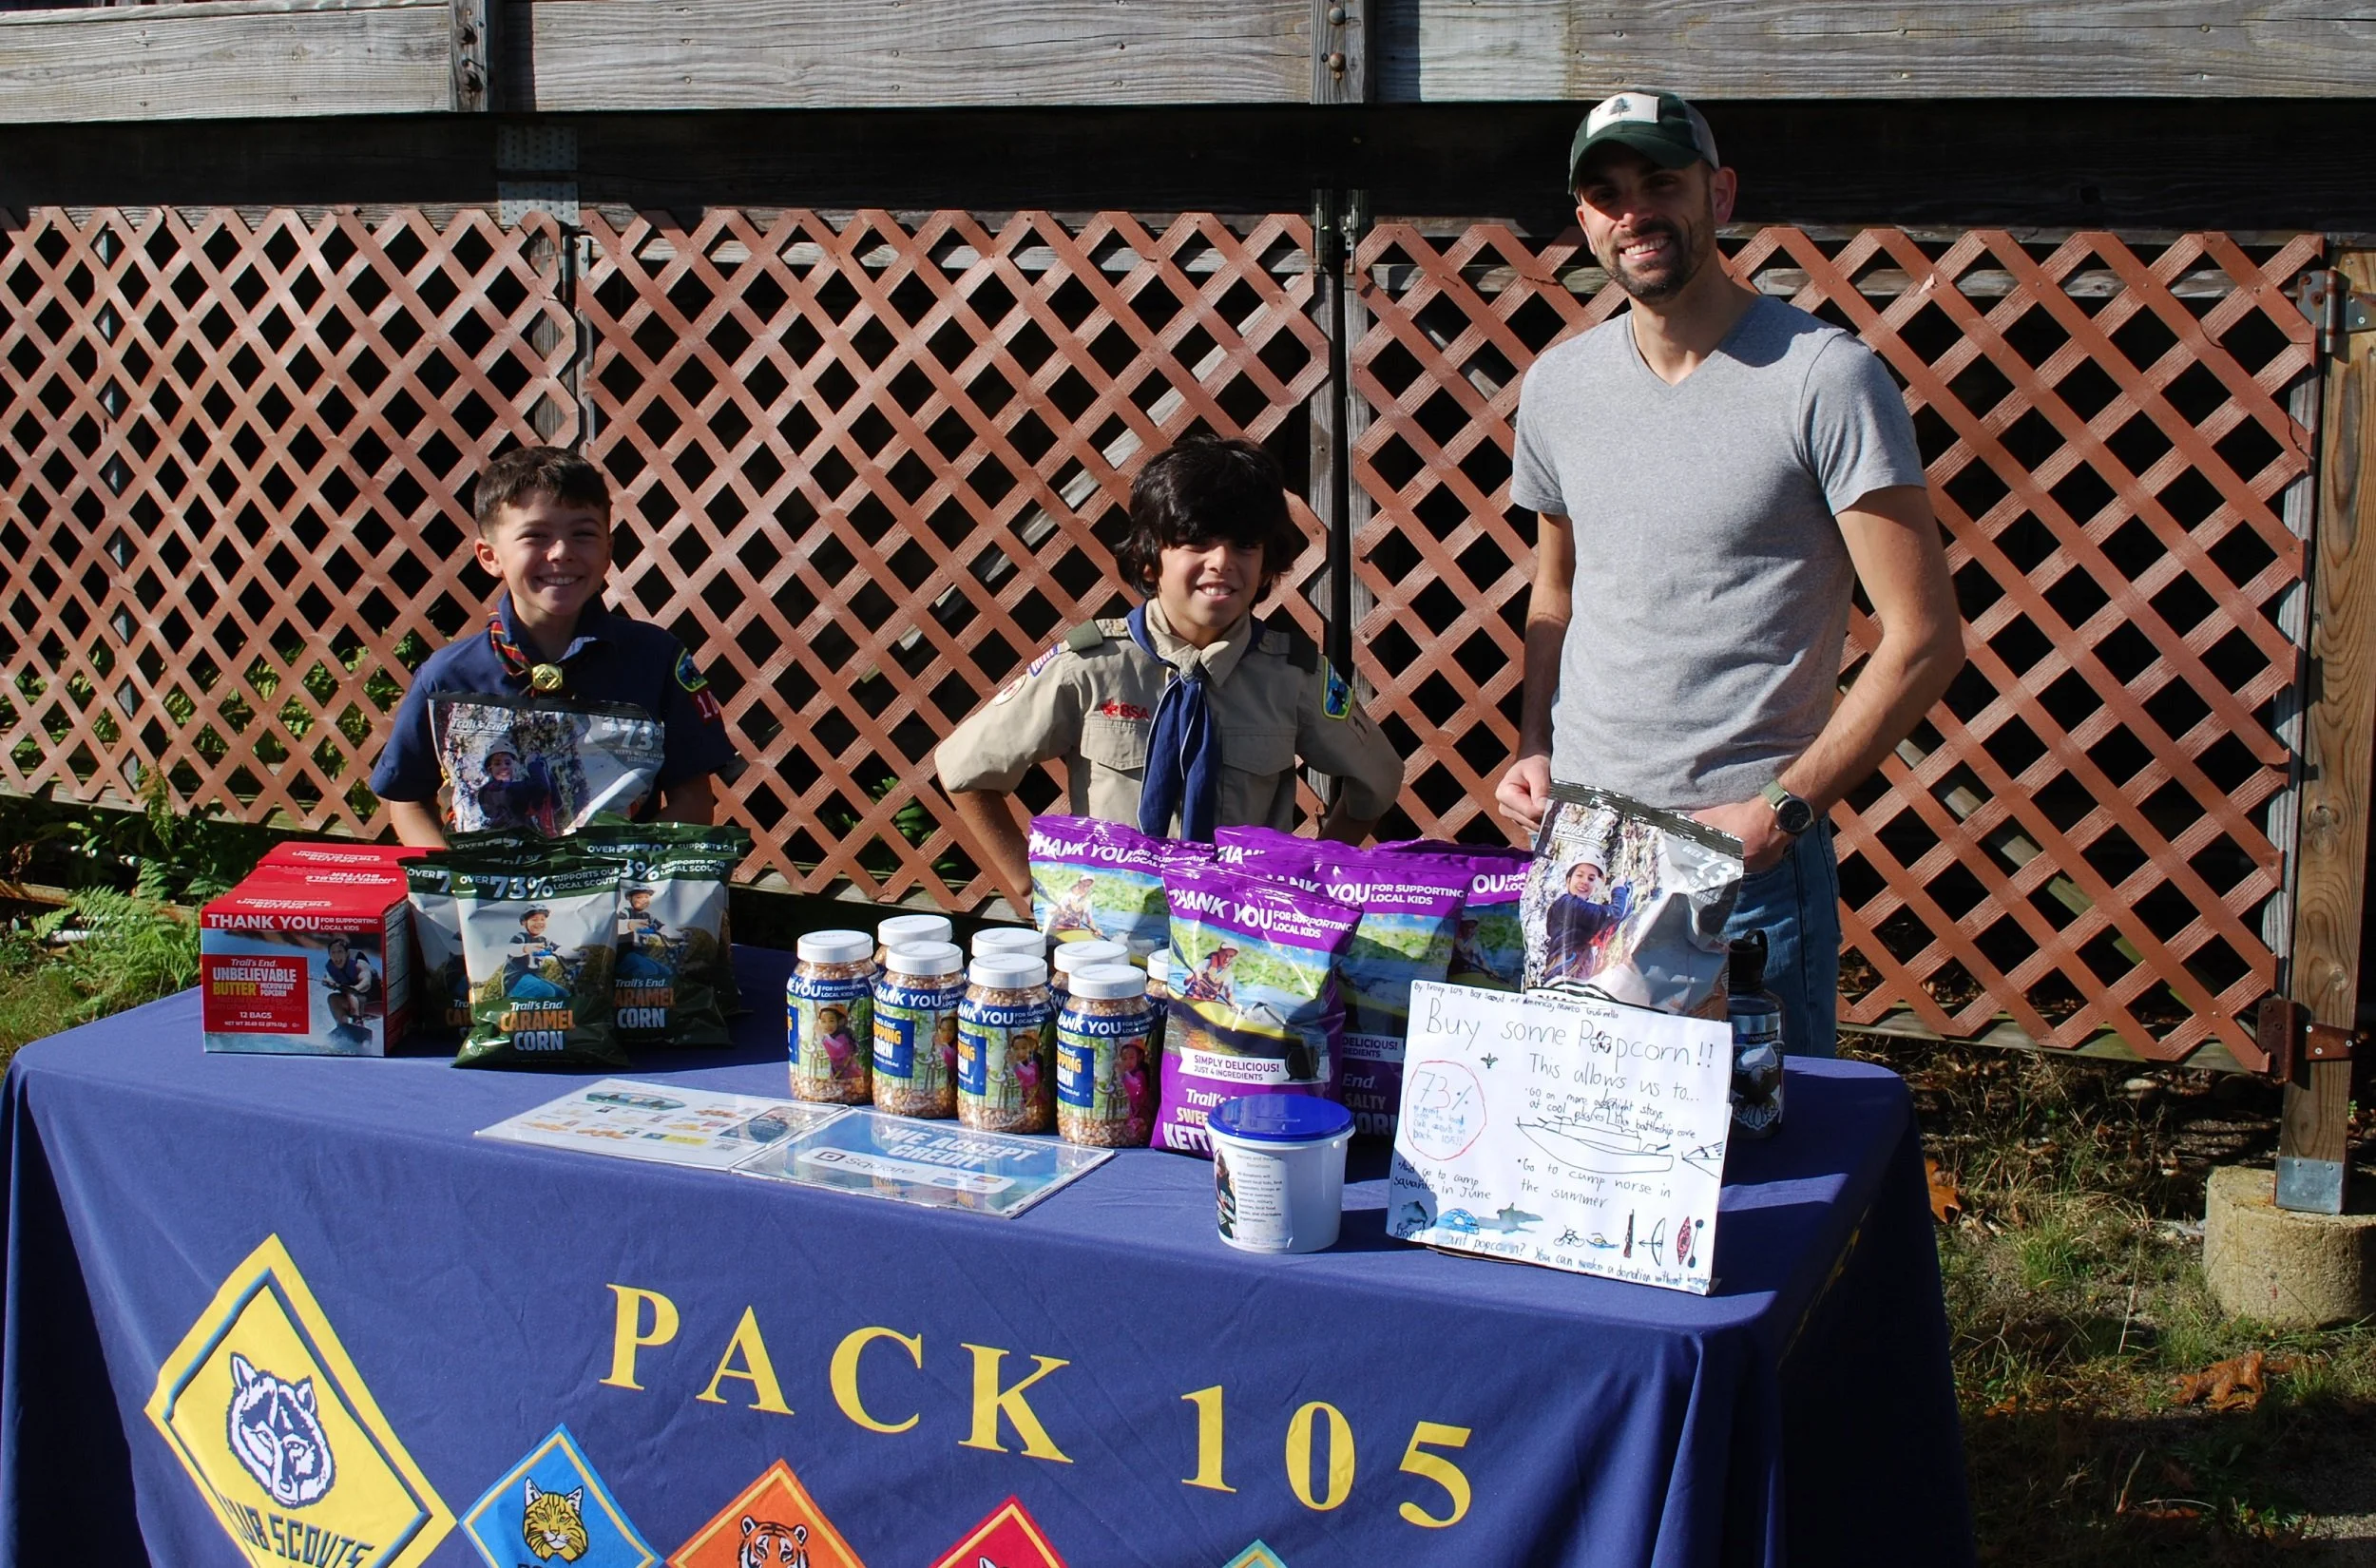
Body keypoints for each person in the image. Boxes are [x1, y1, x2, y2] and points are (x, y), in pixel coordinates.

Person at [1493, 89, 1963, 1057]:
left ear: (1722, 194)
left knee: (1761, 1183)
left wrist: (1782, 810)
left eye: (1660, 182)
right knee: (1579, 1175)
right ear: (1582, 219)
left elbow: (1923, 641)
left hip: (1739, 865)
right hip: (1581, 861)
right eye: (1605, 193)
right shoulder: (1558, 388)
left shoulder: (1824, 379)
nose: (1634, 213)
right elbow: (1558, 592)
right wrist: (1533, 747)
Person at [936, 432, 1405, 910]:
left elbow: (1378, 779)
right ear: (1148, 557)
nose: (1221, 562)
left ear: (1267, 565)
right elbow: (966, 769)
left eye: (1244, 545)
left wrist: (1314, 872)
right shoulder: (1091, 665)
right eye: (1196, 541)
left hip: (1241, 934)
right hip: (1108, 944)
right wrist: (1029, 883)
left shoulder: (1294, 676)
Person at [371, 446, 743, 847]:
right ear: (489, 556)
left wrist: (626, 873)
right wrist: (457, 883)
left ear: (607, 553)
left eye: (583, 534)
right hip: (484, 903)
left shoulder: (656, 660)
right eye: (535, 535)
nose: (562, 552)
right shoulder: (446, 676)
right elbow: (407, 801)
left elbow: (694, 799)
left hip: (616, 899)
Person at [1543, 855, 1631, 984]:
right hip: (1565, 977)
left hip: (1569, 976)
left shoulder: (1578, 913)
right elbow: (1614, 914)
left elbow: (1611, 925)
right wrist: (1618, 889)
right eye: (1579, 875)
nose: (1585, 881)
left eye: (1591, 879)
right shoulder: (1568, 903)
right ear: (1568, 881)